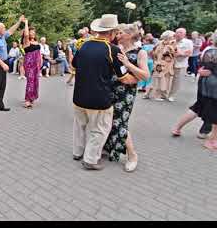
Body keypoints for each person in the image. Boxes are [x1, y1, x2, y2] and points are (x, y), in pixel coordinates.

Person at [72, 14, 137, 171]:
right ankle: (91, 159)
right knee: (100, 129)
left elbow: (73, 66)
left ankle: (77, 152)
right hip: (99, 99)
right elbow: (124, 78)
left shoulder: (84, 45)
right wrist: (137, 78)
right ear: (112, 32)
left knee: (79, 126)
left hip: (79, 96)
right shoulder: (112, 50)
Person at [171, 26, 217, 149]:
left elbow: (203, 66)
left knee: (198, 107)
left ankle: (177, 127)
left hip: (206, 85)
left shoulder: (209, 50)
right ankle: (212, 140)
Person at [103, 23, 150, 172]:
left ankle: (132, 155)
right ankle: (109, 148)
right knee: (108, 119)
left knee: (120, 123)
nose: (117, 35)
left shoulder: (140, 52)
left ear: (130, 35)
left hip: (125, 92)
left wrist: (128, 63)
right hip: (109, 89)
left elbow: (145, 76)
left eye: (121, 32)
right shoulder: (115, 48)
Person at [0, 15, 24, 111]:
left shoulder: (2, 36)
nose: (5, 29)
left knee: (2, 85)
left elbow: (11, 31)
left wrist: (19, 22)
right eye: (3, 28)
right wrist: (3, 64)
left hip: (4, 62)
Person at [143, 30, 177, 100]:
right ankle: (157, 96)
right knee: (159, 80)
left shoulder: (159, 43)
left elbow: (152, 53)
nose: (174, 38)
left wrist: (155, 60)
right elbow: (170, 55)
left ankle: (148, 94)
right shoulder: (169, 45)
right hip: (163, 65)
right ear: (169, 37)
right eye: (173, 36)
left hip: (159, 64)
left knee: (156, 80)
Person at [169, 27, 193, 102]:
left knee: (176, 80)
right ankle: (164, 93)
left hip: (180, 64)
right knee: (167, 78)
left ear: (184, 34)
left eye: (180, 33)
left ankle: (172, 95)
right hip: (169, 63)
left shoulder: (188, 42)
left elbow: (189, 53)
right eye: (177, 32)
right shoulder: (171, 41)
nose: (178, 34)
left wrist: (180, 54)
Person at [21, 19, 42, 108]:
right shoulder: (26, 42)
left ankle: (32, 97)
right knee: (30, 81)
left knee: (35, 81)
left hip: (37, 63)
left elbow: (39, 53)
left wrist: (41, 62)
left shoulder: (36, 42)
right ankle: (27, 100)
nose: (32, 33)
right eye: (31, 32)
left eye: (33, 32)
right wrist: (26, 23)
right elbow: (26, 34)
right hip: (29, 63)